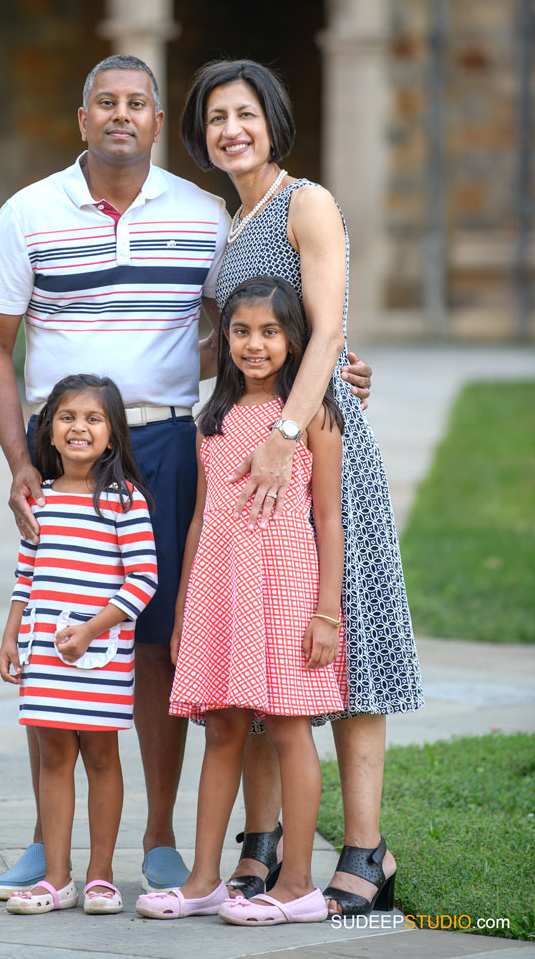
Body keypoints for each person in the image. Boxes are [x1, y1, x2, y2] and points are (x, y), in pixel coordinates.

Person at [0, 53, 372, 897]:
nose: (122, 115)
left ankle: (160, 838)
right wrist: (20, 459)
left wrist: (321, 362)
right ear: (81, 117)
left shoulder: (203, 216)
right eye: (105, 103)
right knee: (57, 619)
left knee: (159, 640)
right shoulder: (27, 212)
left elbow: (250, 323)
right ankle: (48, 846)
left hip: (165, 442)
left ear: (158, 124)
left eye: (139, 104)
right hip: (67, 453)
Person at [180, 59, 423, 916]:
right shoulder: (228, 214)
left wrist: (288, 434)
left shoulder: (305, 201)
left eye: (245, 114)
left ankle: (366, 850)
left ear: (274, 121)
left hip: (311, 444)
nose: (230, 130)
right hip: (251, 447)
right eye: (216, 118)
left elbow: (326, 332)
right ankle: (262, 842)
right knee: (258, 654)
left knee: (343, 638)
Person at [136, 276, 349, 926]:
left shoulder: (313, 415)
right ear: (223, 338)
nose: (254, 344)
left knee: (286, 725)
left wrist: (327, 611)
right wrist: (182, 613)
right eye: (241, 331)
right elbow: (200, 519)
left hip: (286, 588)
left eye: (269, 331)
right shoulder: (213, 417)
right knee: (224, 726)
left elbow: (330, 519)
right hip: (218, 592)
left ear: (294, 340)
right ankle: (204, 879)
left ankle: (299, 886)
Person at [0, 374, 157, 916]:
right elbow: (27, 571)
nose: (79, 428)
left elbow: (143, 580)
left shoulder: (123, 499)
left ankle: (100, 877)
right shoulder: (38, 495)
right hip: (45, 650)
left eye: (93, 418)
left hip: (101, 653)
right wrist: (12, 634)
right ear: (48, 430)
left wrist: (91, 629)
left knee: (102, 759)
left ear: (113, 434)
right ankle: (56, 879)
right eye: (67, 417)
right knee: (53, 758)